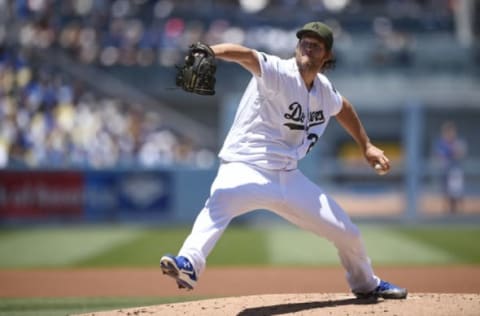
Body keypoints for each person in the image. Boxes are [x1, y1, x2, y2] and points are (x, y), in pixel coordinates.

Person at [161, 21, 407, 299]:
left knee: (347, 232)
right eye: (304, 42)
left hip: (289, 177)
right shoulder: (279, 71)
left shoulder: (324, 90)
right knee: (220, 201)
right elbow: (247, 55)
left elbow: (344, 108)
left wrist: (367, 146)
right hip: (245, 167)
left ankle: (366, 283)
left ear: (327, 56)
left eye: (316, 45)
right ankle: (188, 264)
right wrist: (211, 51)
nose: (308, 48)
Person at [434, 121, 467, 213]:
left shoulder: (458, 142)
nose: (450, 134)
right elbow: (440, 156)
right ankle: (447, 213)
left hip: (456, 171)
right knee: (446, 193)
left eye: (452, 131)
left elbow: (460, 154)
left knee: (457, 193)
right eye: (448, 132)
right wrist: (451, 153)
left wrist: (453, 152)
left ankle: (459, 213)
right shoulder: (441, 143)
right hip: (445, 171)